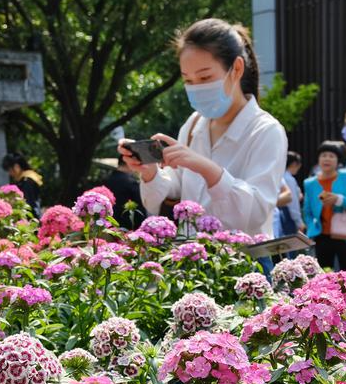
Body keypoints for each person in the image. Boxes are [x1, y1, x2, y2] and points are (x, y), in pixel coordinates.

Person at [118, 18, 287, 238]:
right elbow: (173, 189)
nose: (197, 88)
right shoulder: (194, 124)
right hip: (192, 259)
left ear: (236, 69)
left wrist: (206, 168)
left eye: (206, 77)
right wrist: (150, 172)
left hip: (244, 263)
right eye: (188, 80)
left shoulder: (266, 131)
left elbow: (255, 214)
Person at [303, 141, 346, 271]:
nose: (327, 159)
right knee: (324, 275)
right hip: (322, 236)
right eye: (323, 155)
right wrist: (311, 226)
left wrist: (339, 200)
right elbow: (307, 211)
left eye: (331, 156)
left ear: (338, 161)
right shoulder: (309, 183)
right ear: (318, 159)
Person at [101, 159, 145, 229]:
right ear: (130, 163)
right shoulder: (132, 183)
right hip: (123, 228)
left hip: (103, 224)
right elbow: (141, 210)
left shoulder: (105, 179)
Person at [280, 151, 305, 235]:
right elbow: (292, 202)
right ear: (294, 164)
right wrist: (299, 221)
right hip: (287, 216)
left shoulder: (280, 175)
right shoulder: (289, 179)